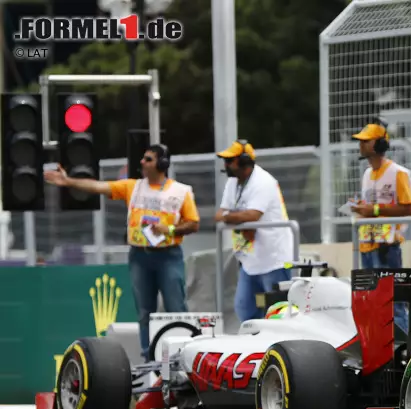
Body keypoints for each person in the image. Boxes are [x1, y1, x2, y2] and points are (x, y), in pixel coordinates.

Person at [43, 144, 201, 361]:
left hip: (168, 255)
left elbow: (193, 224)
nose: (142, 163)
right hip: (139, 256)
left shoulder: (180, 191)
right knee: (145, 312)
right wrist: (69, 181)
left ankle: (183, 355)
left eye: (148, 159)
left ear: (162, 164)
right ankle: (149, 360)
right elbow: (99, 187)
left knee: (176, 307)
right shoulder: (133, 187)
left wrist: (170, 229)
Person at [215, 139, 294, 324]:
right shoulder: (233, 183)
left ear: (244, 161)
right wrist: (235, 217)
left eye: (230, 160)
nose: (225, 165)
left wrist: (231, 216)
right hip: (249, 257)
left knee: (278, 311)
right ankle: (255, 347)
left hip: (274, 258)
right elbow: (219, 214)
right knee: (245, 309)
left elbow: (253, 215)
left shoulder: (264, 181)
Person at [351, 119, 411, 335]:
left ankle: (401, 346)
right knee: (371, 300)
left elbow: (409, 208)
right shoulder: (367, 174)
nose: (361, 145)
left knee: (394, 301)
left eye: (365, 141)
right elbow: (371, 206)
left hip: (388, 246)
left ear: (379, 144)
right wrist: (362, 208)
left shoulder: (398, 173)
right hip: (367, 244)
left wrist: (375, 211)